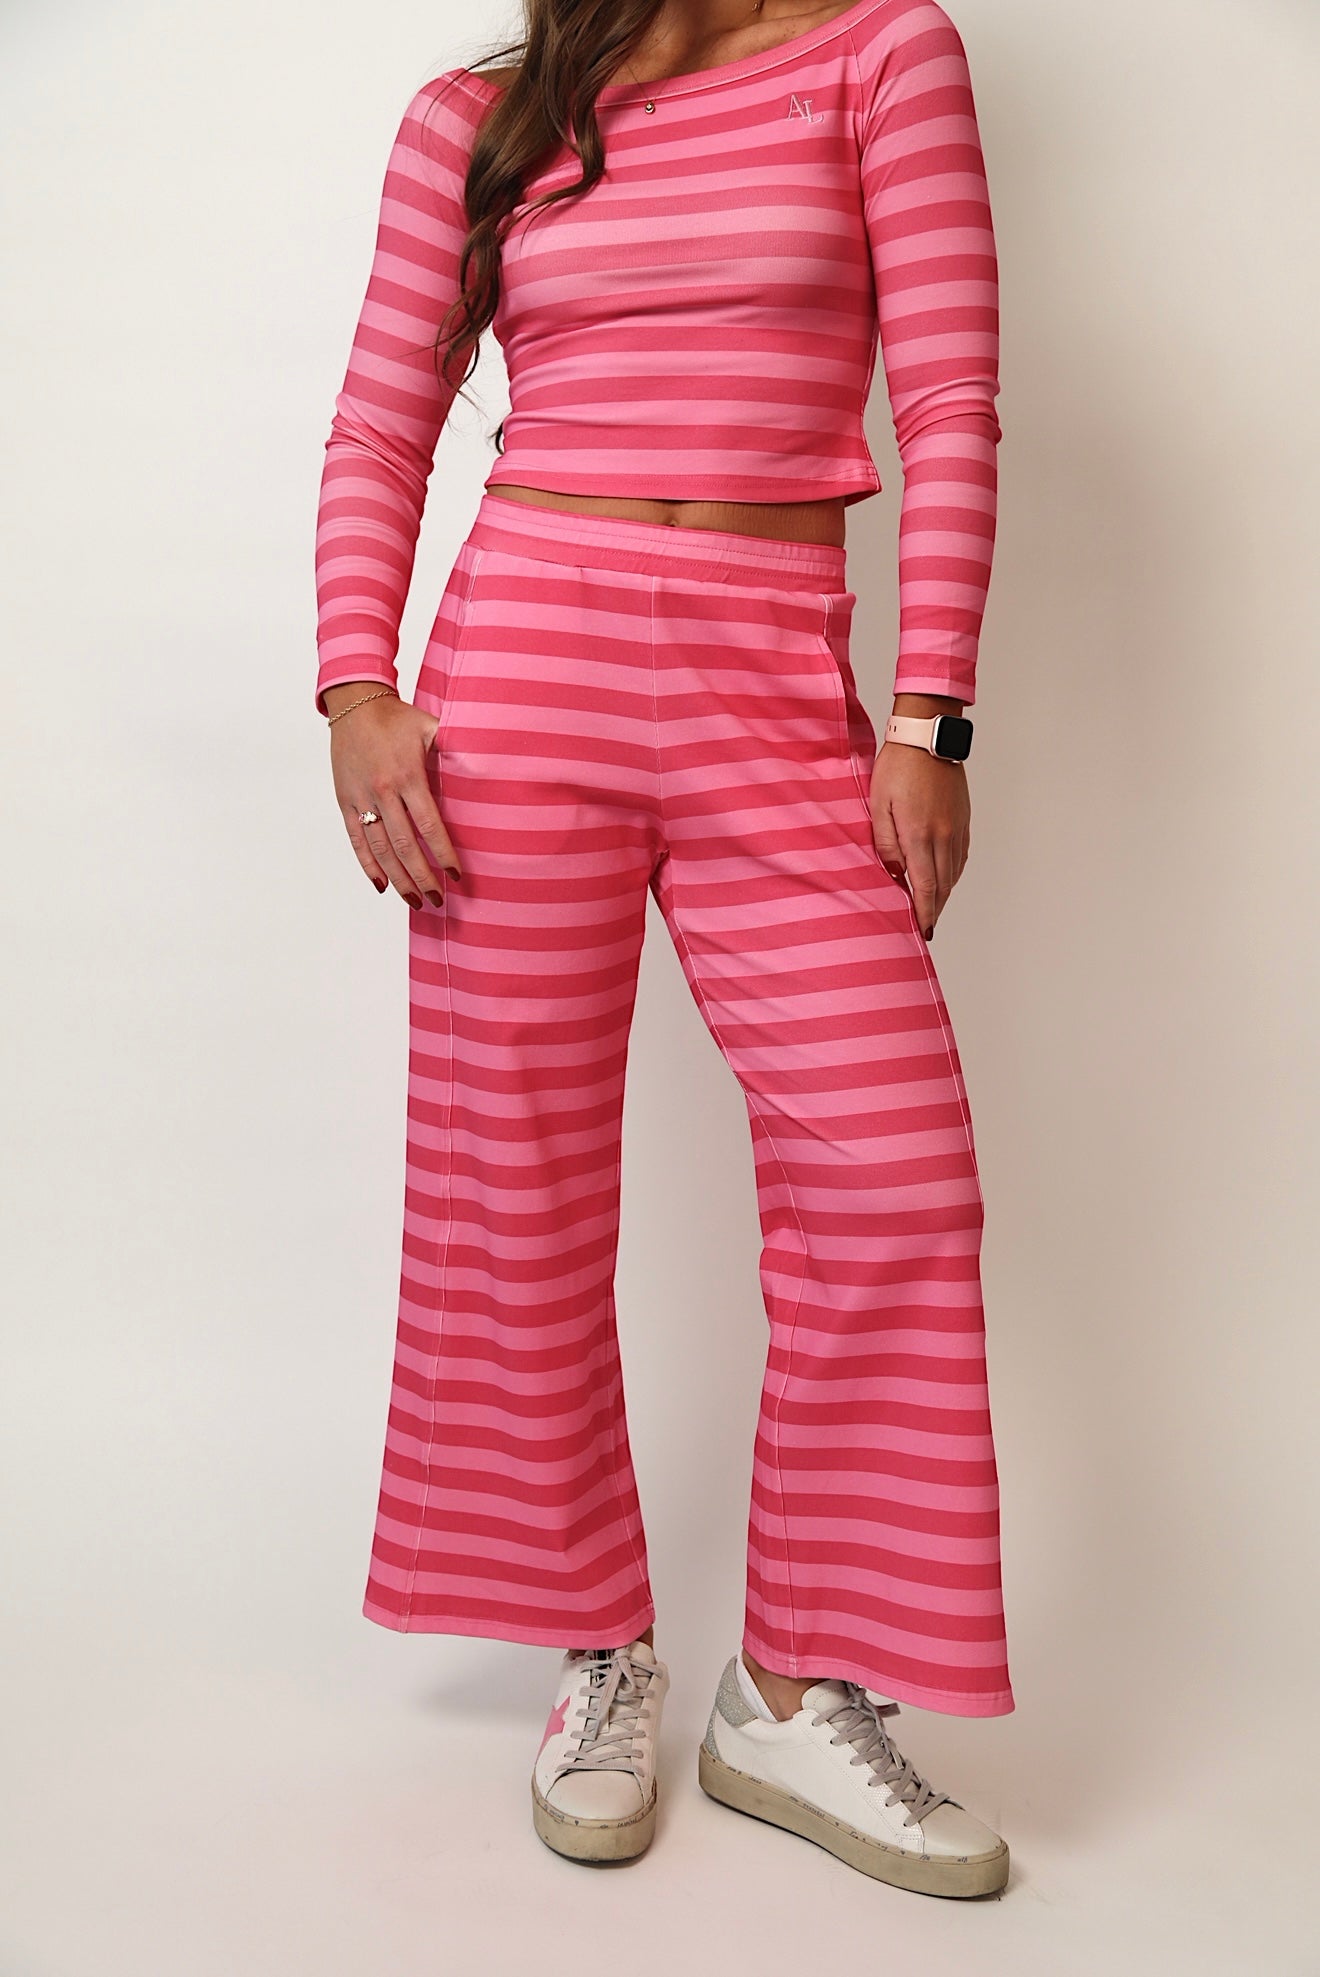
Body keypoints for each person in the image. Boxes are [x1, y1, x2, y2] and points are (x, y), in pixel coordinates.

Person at [314, 0, 1014, 1898]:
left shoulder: (880, 56)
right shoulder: (476, 119)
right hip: (521, 668)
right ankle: (595, 1640)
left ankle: (790, 1690)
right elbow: (381, 418)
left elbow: (949, 400)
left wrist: (929, 716)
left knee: (894, 1170)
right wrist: (357, 687)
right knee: (516, 1179)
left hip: (773, 678)